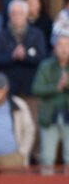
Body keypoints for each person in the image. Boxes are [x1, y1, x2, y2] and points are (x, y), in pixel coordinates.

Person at [0, 0, 47, 98]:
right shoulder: (2, 35)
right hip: (8, 88)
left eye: (20, 13)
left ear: (26, 15)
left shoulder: (37, 34)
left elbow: (42, 58)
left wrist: (25, 56)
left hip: (31, 85)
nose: (16, 16)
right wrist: (12, 56)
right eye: (13, 13)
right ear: (9, 15)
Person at [31, 34, 69, 169]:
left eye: (67, 45)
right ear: (54, 48)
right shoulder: (46, 66)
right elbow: (36, 88)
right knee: (47, 159)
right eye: (61, 45)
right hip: (49, 116)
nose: (64, 49)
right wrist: (56, 87)